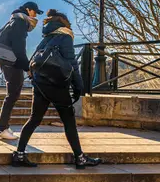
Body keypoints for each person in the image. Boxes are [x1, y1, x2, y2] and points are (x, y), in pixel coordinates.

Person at [13, 9, 102, 170]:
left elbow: (33, 60)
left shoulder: (46, 37)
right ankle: (80, 158)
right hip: (57, 85)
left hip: (40, 84)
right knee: (69, 121)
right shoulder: (65, 36)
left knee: (34, 119)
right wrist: (78, 86)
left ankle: (19, 153)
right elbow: (71, 63)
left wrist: (35, 81)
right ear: (64, 22)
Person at [0, 1, 42, 141]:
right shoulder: (20, 22)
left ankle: (3, 126)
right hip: (13, 62)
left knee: (12, 94)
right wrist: (27, 67)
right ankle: (1, 128)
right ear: (28, 10)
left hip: (7, 61)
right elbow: (19, 47)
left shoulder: (12, 20)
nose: (35, 16)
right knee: (12, 95)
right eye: (34, 12)